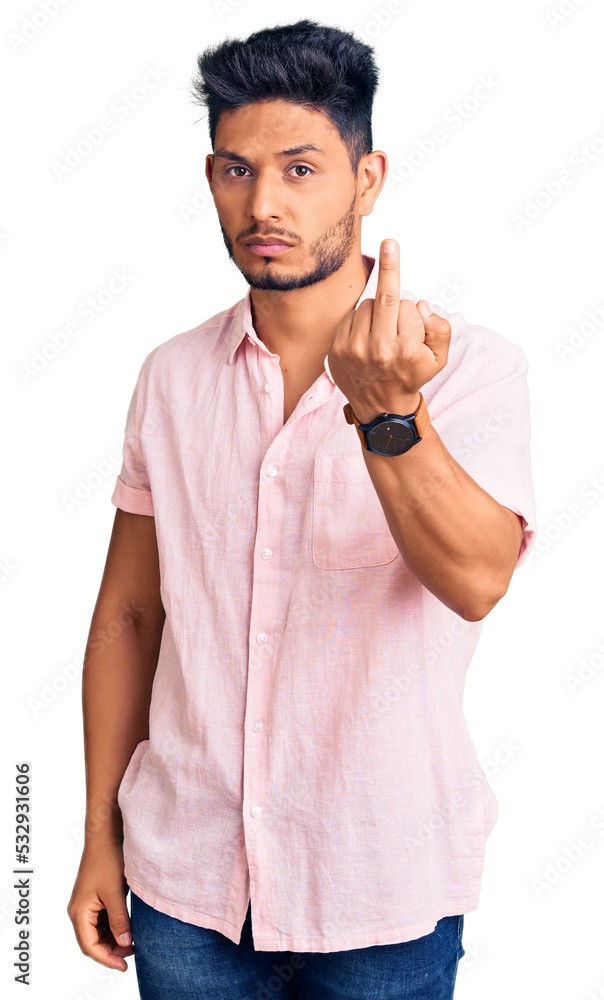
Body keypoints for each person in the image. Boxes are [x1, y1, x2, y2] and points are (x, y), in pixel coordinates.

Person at [67, 18, 536, 1000]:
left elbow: (478, 578)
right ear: (209, 180)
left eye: (300, 168)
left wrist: (385, 412)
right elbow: (127, 615)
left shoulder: (466, 368)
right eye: (237, 171)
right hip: (185, 888)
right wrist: (95, 838)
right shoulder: (170, 376)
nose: (264, 202)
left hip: (382, 893)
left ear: (367, 179)